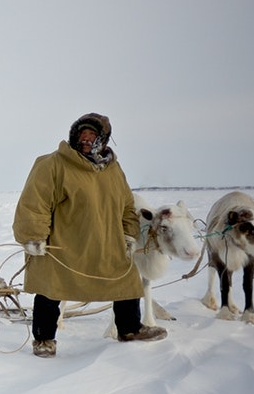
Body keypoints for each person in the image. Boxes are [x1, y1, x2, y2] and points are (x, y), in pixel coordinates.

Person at [13, 113, 167, 358]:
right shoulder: (52, 164)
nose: (86, 140)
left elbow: (127, 205)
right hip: (62, 245)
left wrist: (129, 235)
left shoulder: (113, 169)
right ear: (74, 136)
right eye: (82, 135)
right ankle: (44, 339)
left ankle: (129, 329)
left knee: (126, 281)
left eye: (92, 136)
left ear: (103, 140)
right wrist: (33, 236)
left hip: (107, 243)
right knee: (50, 287)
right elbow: (34, 202)